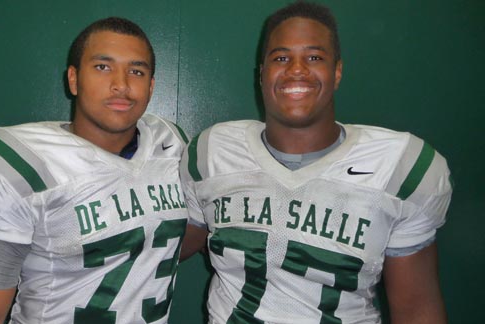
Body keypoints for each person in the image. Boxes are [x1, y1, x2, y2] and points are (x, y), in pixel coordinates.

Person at [180, 1, 451, 323]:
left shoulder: (400, 167)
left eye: (314, 57)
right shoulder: (211, 151)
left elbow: (416, 307)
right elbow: (171, 239)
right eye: (281, 58)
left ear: (336, 71)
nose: (296, 69)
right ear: (262, 74)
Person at [0, 17, 189, 324]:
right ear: (73, 79)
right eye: (103, 67)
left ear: (151, 86)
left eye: (136, 71)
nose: (121, 84)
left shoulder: (170, 144)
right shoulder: (22, 163)